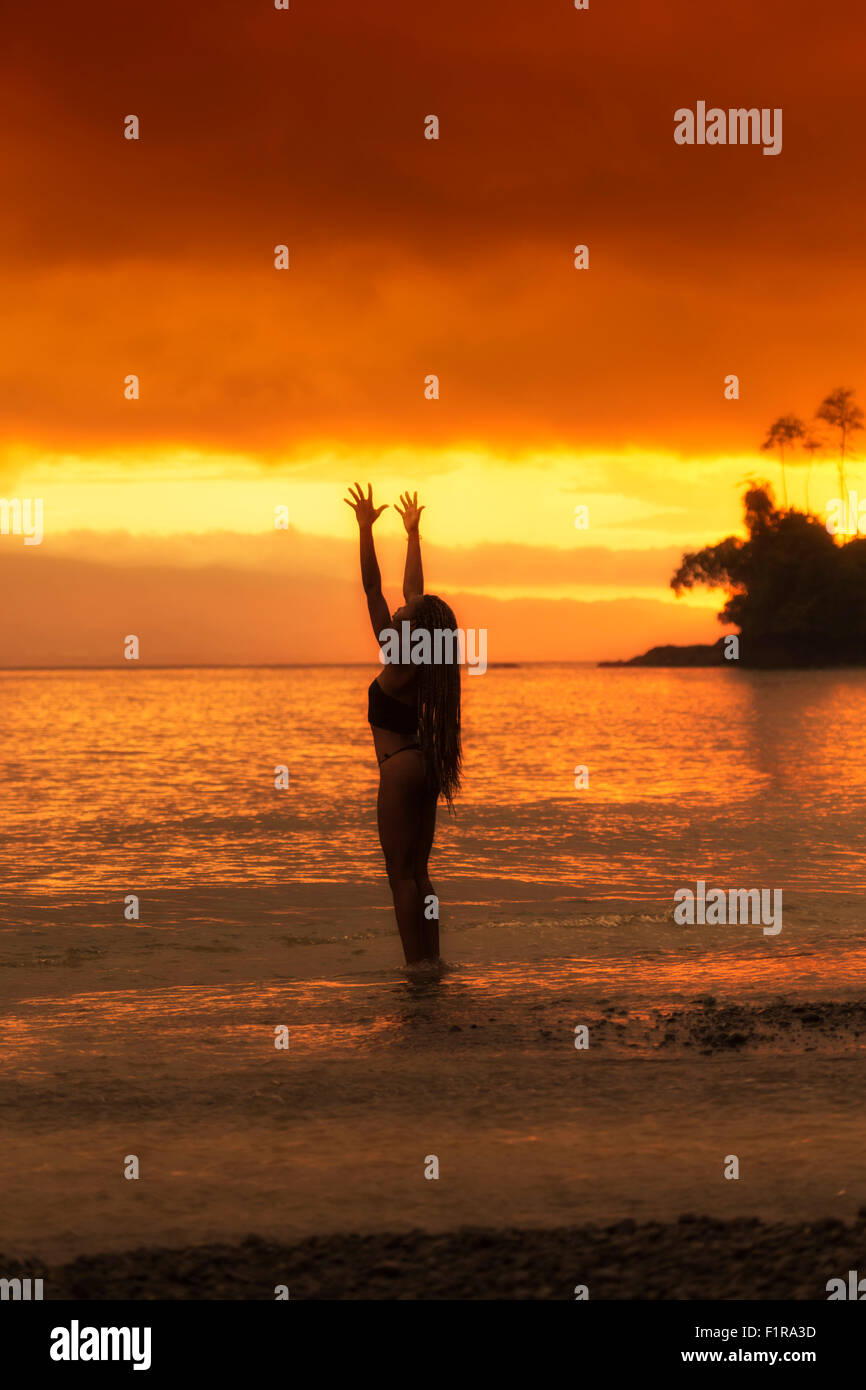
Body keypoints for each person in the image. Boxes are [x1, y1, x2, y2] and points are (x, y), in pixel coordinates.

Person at [344, 483, 462, 965]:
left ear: (413, 626)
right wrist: (413, 535)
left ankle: (416, 969)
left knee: (400, 876)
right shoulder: (430, 658)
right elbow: (416, 592)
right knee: (421, 873)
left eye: (403, 612)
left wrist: (365, 530)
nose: (398, 607)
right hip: (425, 763)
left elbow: (372, 586)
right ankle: (431, 962)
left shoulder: (397, 652)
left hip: (398, 768)